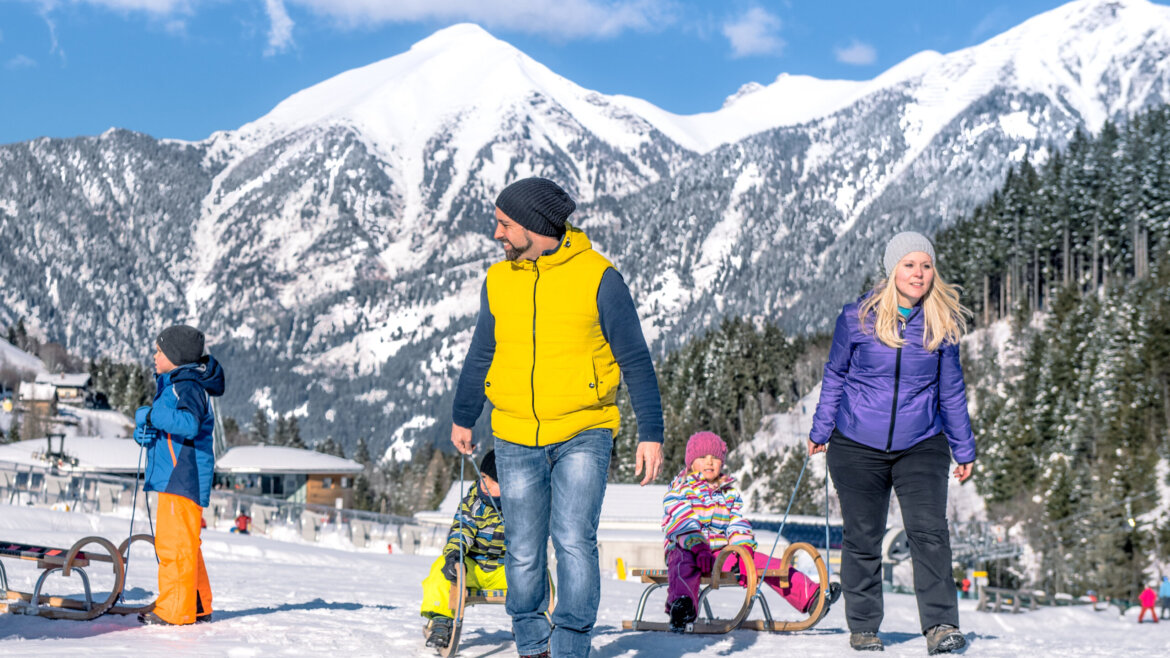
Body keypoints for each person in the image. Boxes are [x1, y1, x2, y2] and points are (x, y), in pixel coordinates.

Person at [450, 177, 665, 658]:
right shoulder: (499, 280)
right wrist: (464, 415)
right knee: (523, 548)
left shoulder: (598, 277)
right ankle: (532, 643)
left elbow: (635, 358)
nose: (497, 234)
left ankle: (570, 647)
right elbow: (481, 351)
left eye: (504, 224)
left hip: (584, 430)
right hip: (514, 432)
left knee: (572, 539)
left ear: (532, 224)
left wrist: (651, 432)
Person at [808, 232, 975, 654]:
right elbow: (836, 376)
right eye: (909, 265)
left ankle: (941, 625)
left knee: (929, 533)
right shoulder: (856, 317)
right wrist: (820, 430)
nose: (918, 273)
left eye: (926, 265)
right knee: (863, 534)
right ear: (892, 269)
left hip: (922, 442)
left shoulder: (942, 323)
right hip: (857, 442)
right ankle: (864, 627)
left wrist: (963, 447)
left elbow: (951, 390)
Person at [662, 431, 840, 632]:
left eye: (715, 458)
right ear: (691, 463)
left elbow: (737, 523)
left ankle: (811, 597)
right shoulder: (679, 489)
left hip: (721, 554)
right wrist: (698, 547)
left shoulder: (728, 494)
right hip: (688, 548)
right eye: (702, 458)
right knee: (682, 564)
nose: (709, 462)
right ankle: (682, 607)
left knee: (763, 562)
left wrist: (741, 549)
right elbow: (683, 521)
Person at [133, 324, 226, 626]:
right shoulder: (177, 383)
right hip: (177, 475)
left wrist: (151, 414)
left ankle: (174, 610)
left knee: (173, 546)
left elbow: (188, 424)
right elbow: (174, 427)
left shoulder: (186, 385)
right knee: (186, 544)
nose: (154, 355)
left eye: (159, 351)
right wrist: (148, 434)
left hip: (181, 477)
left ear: (175, 356)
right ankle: (197, 605)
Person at [421, 451, 507, 649]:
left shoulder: (519, 508)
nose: (485, 484)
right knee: (442, 568)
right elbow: (461, 531)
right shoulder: (474, 504)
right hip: (472, 567)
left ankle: (534, 621)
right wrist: (454, 555)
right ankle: (442, 619)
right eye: (483, 478)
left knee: (537, 574)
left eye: (493, 482)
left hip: (504, 570)